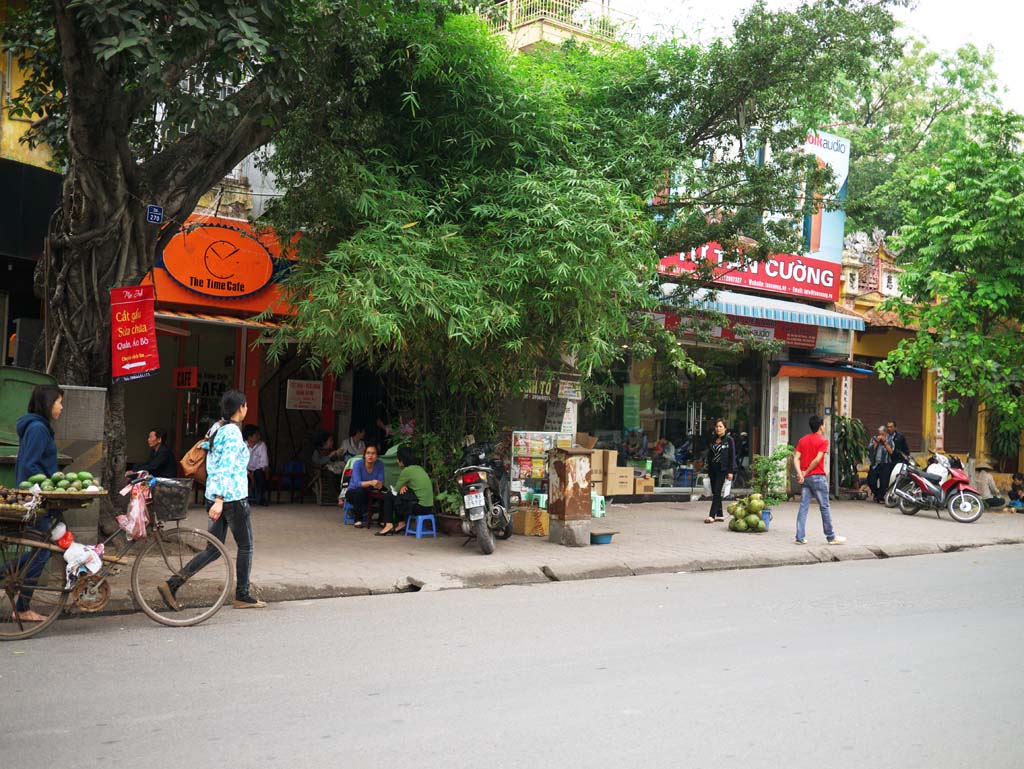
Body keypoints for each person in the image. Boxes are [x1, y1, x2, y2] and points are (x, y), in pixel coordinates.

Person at [159, 389, 266, 610]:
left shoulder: (216, 428)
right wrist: (220, 499)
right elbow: (225, 467)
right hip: (231, 498)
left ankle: (172, 584)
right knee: (246, 546)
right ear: (240, 408)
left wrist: (215, 498)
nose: (247, 408)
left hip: (214, 495)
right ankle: (242, 595)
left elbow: (212, 463)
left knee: (213, 549)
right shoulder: (233, 433)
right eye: (245, 405)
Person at [8, 385, 64, 623]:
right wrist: (49, 487)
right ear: (47, 402)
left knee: (46, 547)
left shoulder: (36, 426)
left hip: (41, 499)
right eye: (59, 402)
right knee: (41, 553)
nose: (61, 407)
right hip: (38, 500)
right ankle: (22, 607)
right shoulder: (38, 429)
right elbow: (31, 466)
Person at [793, 415, 845, 545]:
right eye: (824, 424)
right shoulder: (823, 441)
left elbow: (796, 458)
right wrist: (806, 472)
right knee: (824, 507)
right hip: (818, 478)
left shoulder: (803, 440)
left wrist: (801, 473)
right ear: (821, 426)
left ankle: (799, 537)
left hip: (806, 479)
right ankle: (831, 536)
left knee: (803, 507)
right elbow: (817, 460)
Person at [378, 447, 434, 536]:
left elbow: (395, 491)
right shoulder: (419, 468)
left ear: (402, 460)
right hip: (428, 508)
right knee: (400, 495)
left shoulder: (406, 471)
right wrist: (404, 485)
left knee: (389, 495)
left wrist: (401, 487)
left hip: (419, 507)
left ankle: (388, 524)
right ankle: (401, 523)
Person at [344, 443, 385, 529]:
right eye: (368, 453)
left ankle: (381, 520)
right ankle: (358, 519)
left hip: (370, 492)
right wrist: (371, 482)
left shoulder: (380, 464)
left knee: (385, 492)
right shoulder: (358, 464)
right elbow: (357, 483)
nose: (370, 456)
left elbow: (380, 481)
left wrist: (380, 484)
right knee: (360, 491)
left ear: (377, 455)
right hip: (353, 492)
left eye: (373, 453)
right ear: (364, 455)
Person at [703, 418, 736, 523]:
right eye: (717, 426)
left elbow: (732, 456)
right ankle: (720, 514)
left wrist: (730, 471)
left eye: (720, 426)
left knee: (717, 491)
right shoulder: (712, 439)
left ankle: (711, 515)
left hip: (723, 469)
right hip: (712, 469)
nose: (718, 428)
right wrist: (707, 467)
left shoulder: (729, 440)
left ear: (725, 428)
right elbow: (709, 454)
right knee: (715, 492)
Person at [865, 425, 892, 503]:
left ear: (885, 433)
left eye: (882, 434)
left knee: (884, 483)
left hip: (885, 464)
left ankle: (880, 497)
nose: (880, 436)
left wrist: (885, 442)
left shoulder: (889, 439)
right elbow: (870, 450)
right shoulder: (874, 439)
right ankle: (877, 494)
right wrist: (876, 442)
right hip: (875, 464)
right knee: (871, 481)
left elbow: (891, 451)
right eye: (879, 434)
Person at [244, 425, 269, 506]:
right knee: (240, 475)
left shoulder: (262, 445)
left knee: (259, 474)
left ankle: (261, 498)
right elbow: (239, 463)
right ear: (249, 437)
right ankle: (241, 500)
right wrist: (248, 473)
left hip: (257, 470)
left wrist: (253, 473)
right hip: (245, 470)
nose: (259, 436)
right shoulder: (242, 446)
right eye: (256, 434)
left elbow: (264, 463)